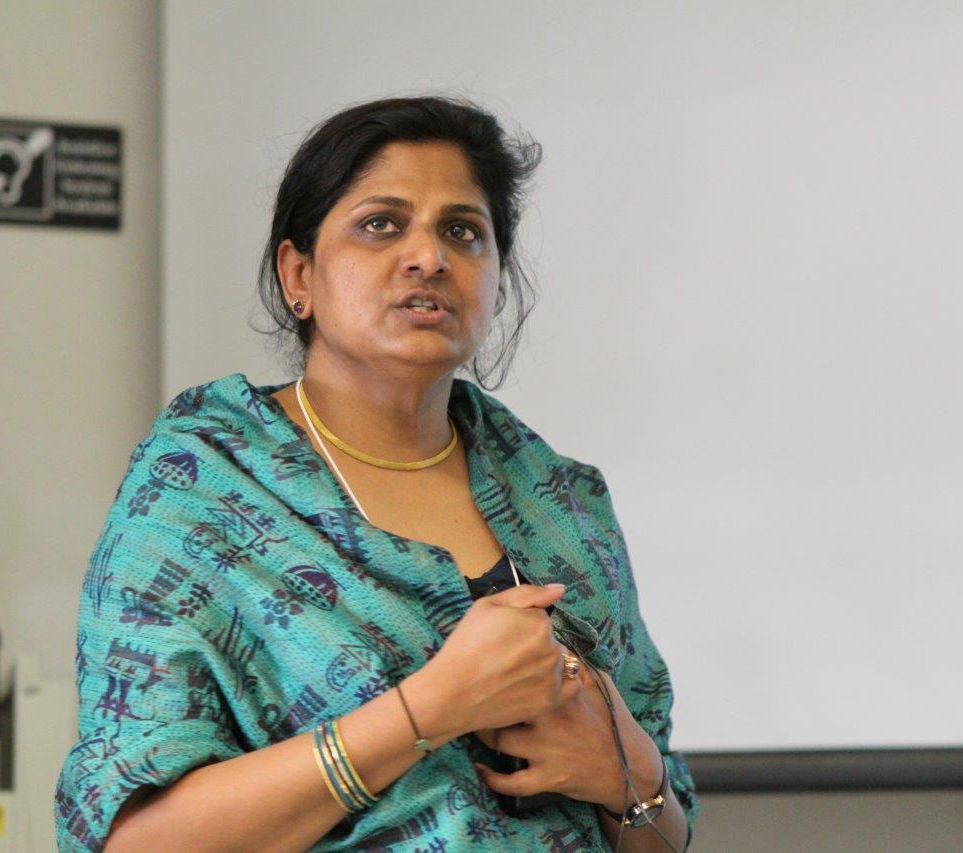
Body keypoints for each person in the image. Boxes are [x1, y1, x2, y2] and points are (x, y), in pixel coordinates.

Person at [54, 95, 699, 852]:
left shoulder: (562, 502)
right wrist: (430, 708)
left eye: (463, 231)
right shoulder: (201, 488)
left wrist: (630, 777)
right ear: (298, 275)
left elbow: (663, 835)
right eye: (381, 224)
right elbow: (132, 841)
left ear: (495, 280)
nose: (429, 257)